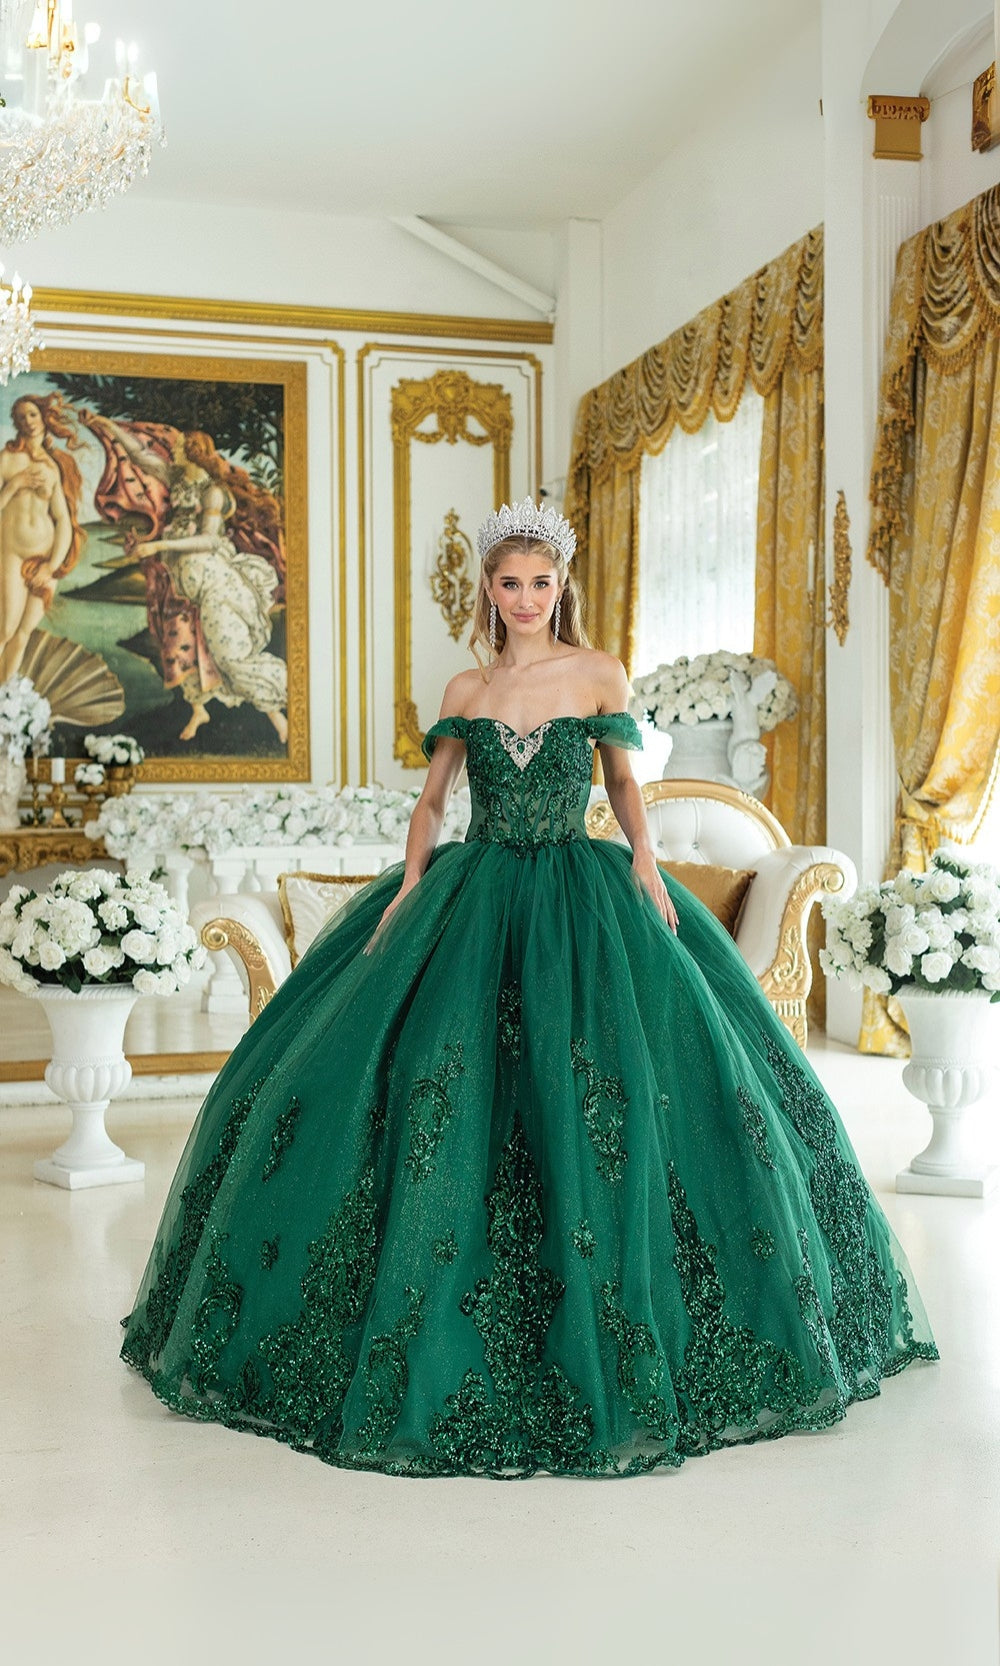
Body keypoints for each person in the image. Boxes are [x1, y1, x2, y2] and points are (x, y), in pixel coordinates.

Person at [120, 498, 937, 1479]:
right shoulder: (467, 683)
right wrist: (408, 889)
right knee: (433, 1078)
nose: (524, 598)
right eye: (508, 584)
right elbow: (431, 801)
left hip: (582, 893)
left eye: (539, 583)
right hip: (472, 884)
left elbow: (626, 785)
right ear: (489, 593)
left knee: (602, 1084)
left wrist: (643, 863)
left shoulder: (596, 674)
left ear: (562, 587)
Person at [81, 413, 288, 744]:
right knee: (177, 644)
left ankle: (276, 716)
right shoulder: (177, 479)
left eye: (178, 448)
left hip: (214, 582)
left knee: (228, 652)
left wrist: (159, 544)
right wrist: (104, 425)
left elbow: (208, 540)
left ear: (194, 453)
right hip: (180, 580)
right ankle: (198, 709)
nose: (171, 451)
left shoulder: (213, 492)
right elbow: (139, 455)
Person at [0, 395, 85, 683]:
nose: (28, 422)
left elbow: (62, 520)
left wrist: (51, 566)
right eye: (21, 417)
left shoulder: (53, 467)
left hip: (45, 560)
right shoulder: (7, 459)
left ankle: (4, 697)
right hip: (11, 554)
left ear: (44, 417)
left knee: (23, 633)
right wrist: (14, 485)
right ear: (16, 424)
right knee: (5, 629)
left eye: (33, 414)